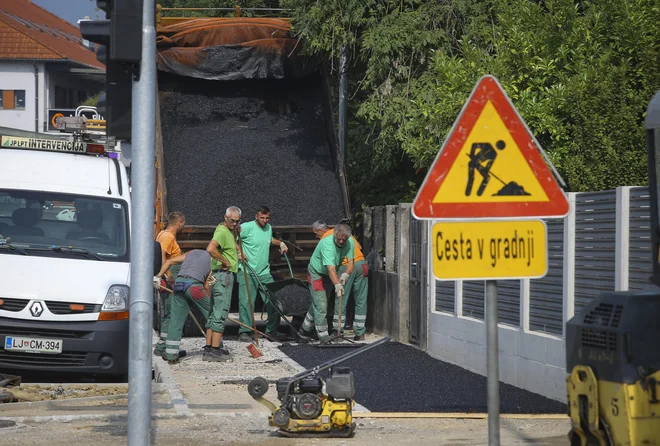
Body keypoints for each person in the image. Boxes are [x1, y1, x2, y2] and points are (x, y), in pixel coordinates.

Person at [153, 249, 221, 363]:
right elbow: (207, 286)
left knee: (175, 321)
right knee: (213, 315)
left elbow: (169, 261)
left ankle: (171, 355)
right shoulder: (213, 259)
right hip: (195, 287)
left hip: (179, 284)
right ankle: (216, 348)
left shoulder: (190, 253)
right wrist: (208, 301)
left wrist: (158, 277)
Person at [236, 205, 289, 342]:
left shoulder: (269, 227)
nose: (265, 220)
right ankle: (245, 331)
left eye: (267, 218)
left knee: (272, 300)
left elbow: (268, 240)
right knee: (247, 302)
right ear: (256, 216)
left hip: (264, 272)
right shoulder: (246, 227)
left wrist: (280, 243)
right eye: (262, 218)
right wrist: (238, 252)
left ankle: (272, 330)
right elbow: (230, 238)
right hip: (247, 271)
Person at [314, 221, 369, 341]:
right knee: (361, 299)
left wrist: (341, 278)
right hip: (362, 265)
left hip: (347, 266)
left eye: (316, 234)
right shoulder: (347, 233)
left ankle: (338, 331)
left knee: (341, 298)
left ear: (320, 230)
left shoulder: (329, 236)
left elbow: (329, 262)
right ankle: (360, 332)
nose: (316, 237)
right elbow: (359, 247)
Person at [300, 223, 354, 342]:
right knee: (321, 305)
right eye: (339, 238)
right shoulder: (327, 244)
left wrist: (346, 275)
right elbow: (331, 269)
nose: (341, 241)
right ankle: (323, 336)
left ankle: (304, 330)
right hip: (317, 273)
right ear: (335, 235)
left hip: (328, 274)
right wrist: (337, 285)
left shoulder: (350, 243)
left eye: (343, 239)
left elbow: (350, 262)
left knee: (319, 303)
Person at [204, 206, 241, 360]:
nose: (234, 223)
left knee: (213, 312)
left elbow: (229, 247)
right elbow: (210, 249)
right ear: (226, 217)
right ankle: (215, 350)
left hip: (218, 276)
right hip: (224, 276)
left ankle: (209, 348)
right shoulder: (222, 232)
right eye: (232, 221)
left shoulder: (228, 230)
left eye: (237, 221)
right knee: (220, 312)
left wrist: (236, 240)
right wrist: (225, 261)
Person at [153, 212, 186, 357]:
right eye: (183, 224)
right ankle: (166, 349)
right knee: (172, 313)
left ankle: (163, 345)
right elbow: (162, 255)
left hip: (167, 276)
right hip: (169, 278)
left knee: (169, 313)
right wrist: (168, 275)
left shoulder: (163, 234)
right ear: (179, 223)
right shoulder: (167, 236)